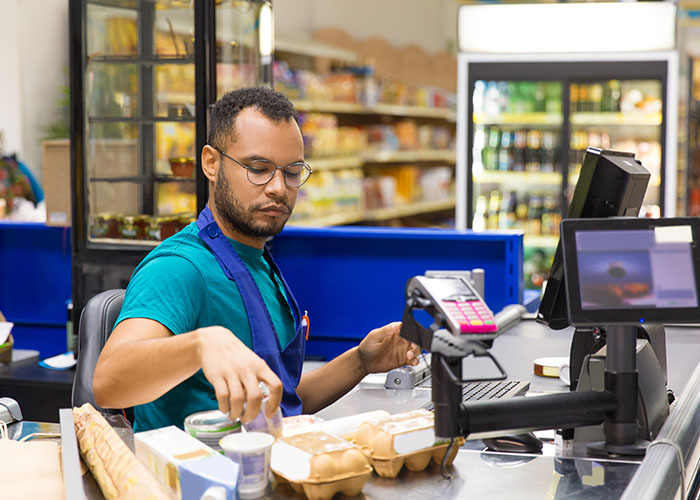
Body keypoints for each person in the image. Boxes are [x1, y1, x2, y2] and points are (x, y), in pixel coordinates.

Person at [92, 87, 420, 432]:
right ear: (211, 163)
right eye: (259, 168)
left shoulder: (257, 261)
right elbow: (108, 381)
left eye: (292, 172)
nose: (279, 187)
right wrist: (201, 344)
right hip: (196, 481)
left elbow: (281, 401)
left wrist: (361, 361)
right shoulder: (181, 269)